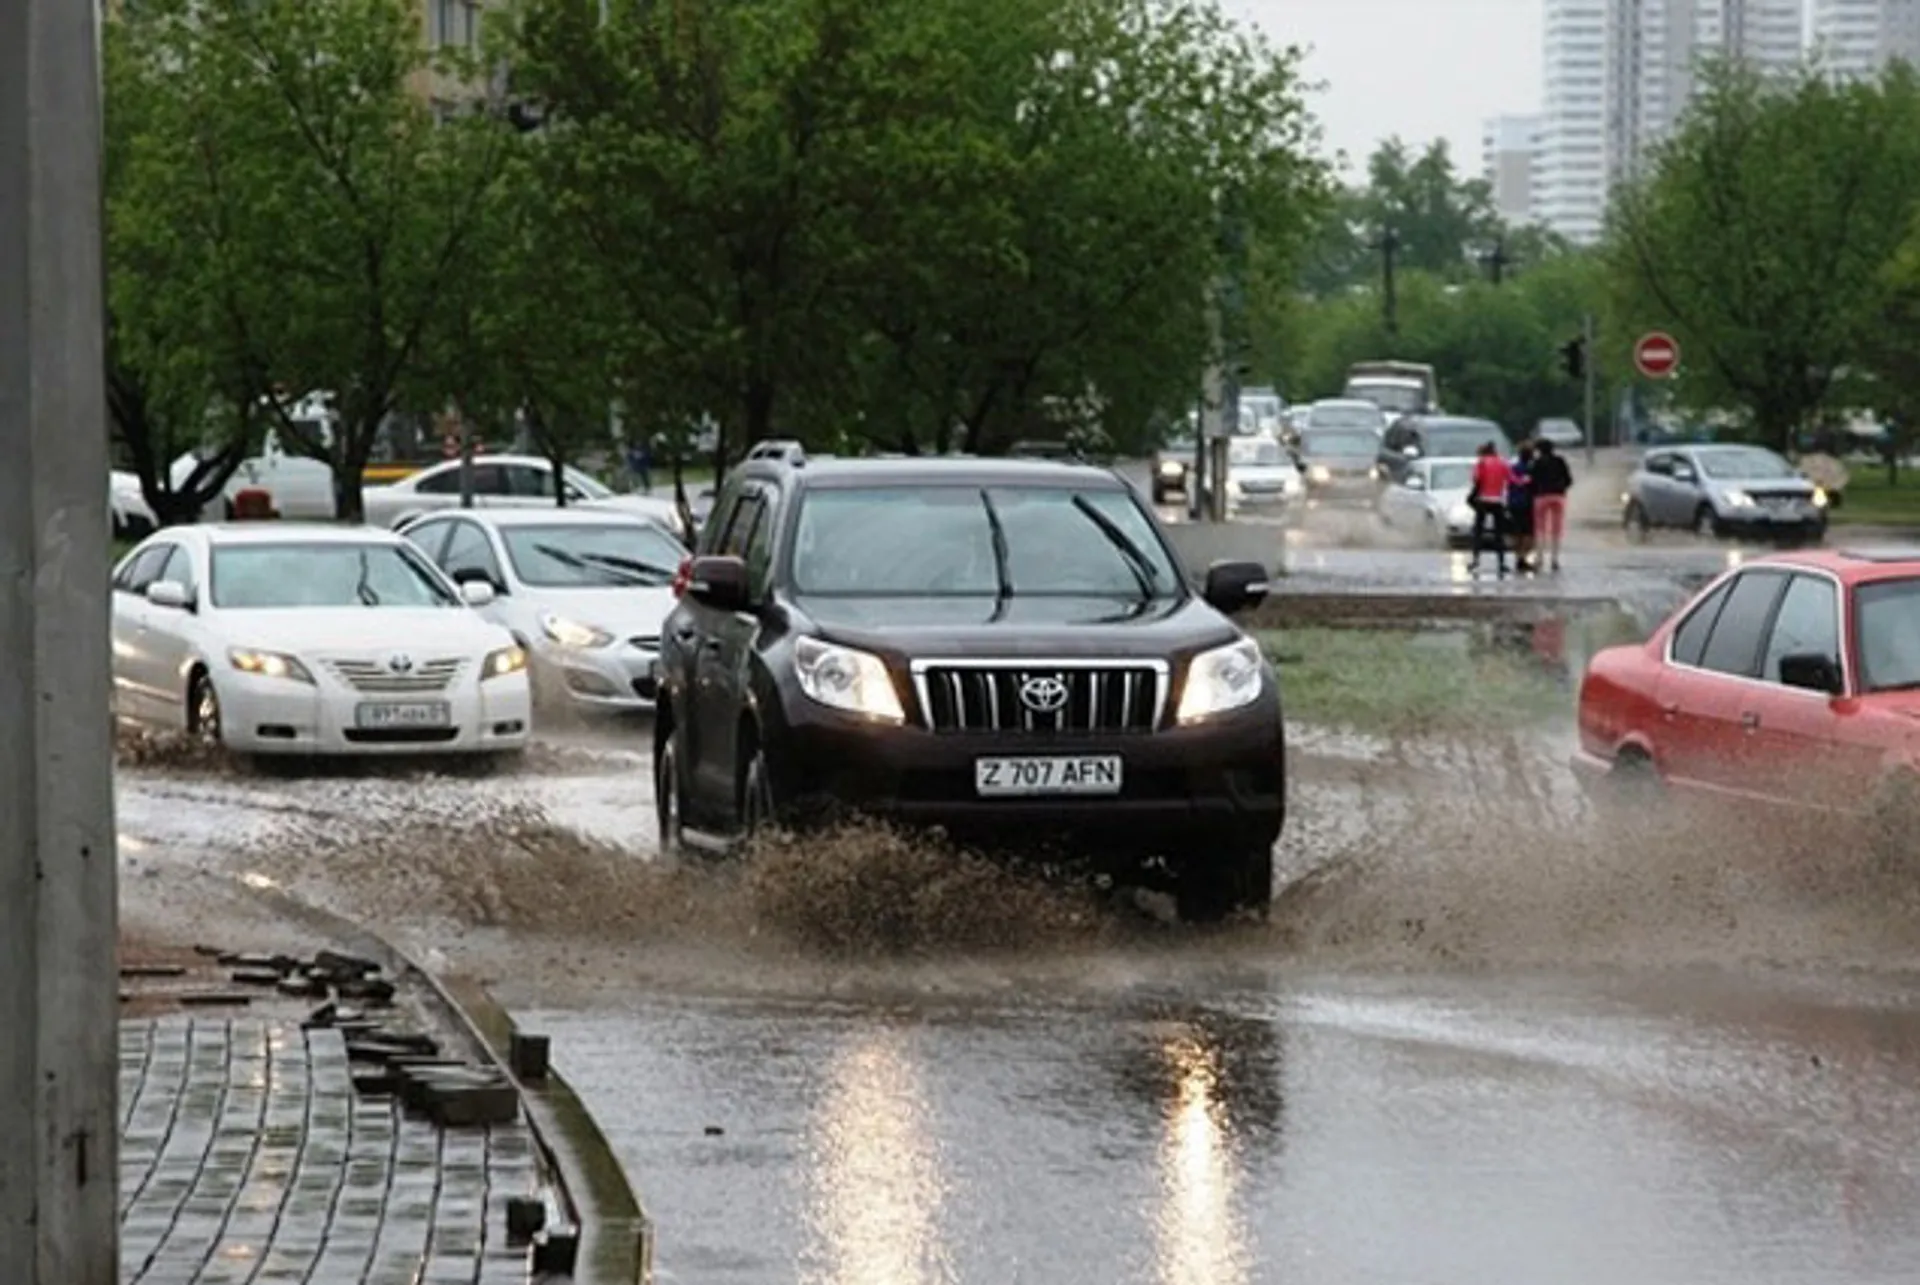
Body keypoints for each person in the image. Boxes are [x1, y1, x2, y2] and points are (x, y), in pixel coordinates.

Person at [1469, 441, 1513, 575]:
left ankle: (1476, 561)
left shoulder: (1481, 463)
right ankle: (1501, 563)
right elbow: (1511, 480)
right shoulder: (1503, 463)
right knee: (1499, 534)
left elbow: (1476, 478)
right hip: (1498, 501)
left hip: (1483, 500)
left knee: (1478, 531)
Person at [1530, 439, 1574, 572]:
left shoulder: (1537, 463)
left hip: (1541, 496)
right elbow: (1569, 479)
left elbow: (1532, 480)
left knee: (1540, 529)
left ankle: (1539, 558)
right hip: (1558, 497)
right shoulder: (1560, 461)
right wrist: (1562, 488)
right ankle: (1555, 559)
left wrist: (1536, 490)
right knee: (1557, 529)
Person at [1507, 440, 1537, 574]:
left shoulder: (1512, 468)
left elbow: (1508, 485)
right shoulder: (1533, 469)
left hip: (1514, 503)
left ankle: (1518, 557)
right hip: (1528, 503)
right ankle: (1523, 557)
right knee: (1529, 533)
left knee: (1517, 531)